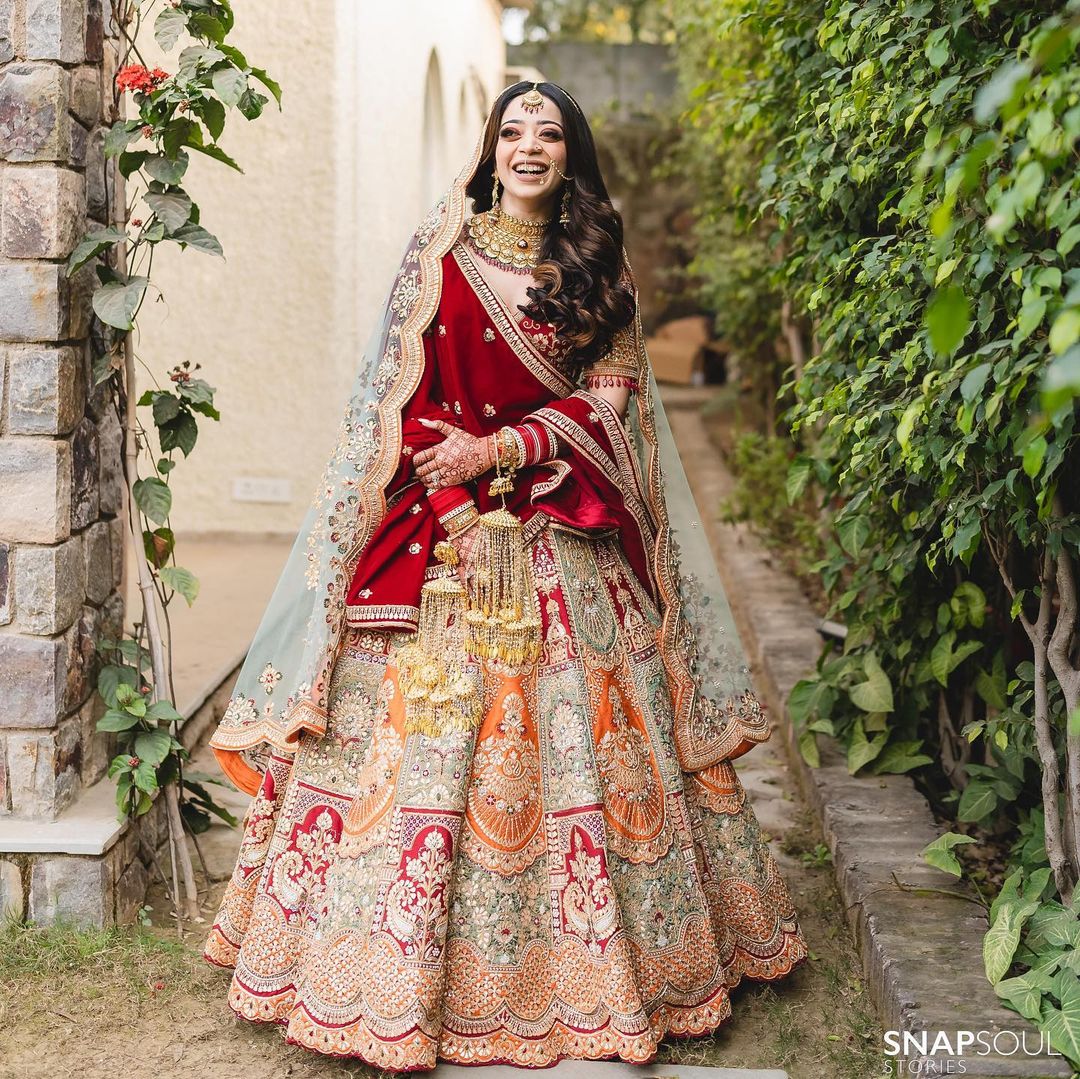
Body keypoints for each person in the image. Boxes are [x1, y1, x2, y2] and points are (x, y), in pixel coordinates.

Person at [202, 79, 808, 1069]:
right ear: (490, 150)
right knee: (421, 735)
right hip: (442, 528)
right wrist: (453, 503)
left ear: (571, 156)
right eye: (513, 130)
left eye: (549, 133)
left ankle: (602, 972)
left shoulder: (597, 262)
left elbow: (613, 402)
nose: (529, 146)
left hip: (563, 517)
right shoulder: (438, 255)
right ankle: (384, 973)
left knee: (588, 735)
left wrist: (502, 450)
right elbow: (397, 403)